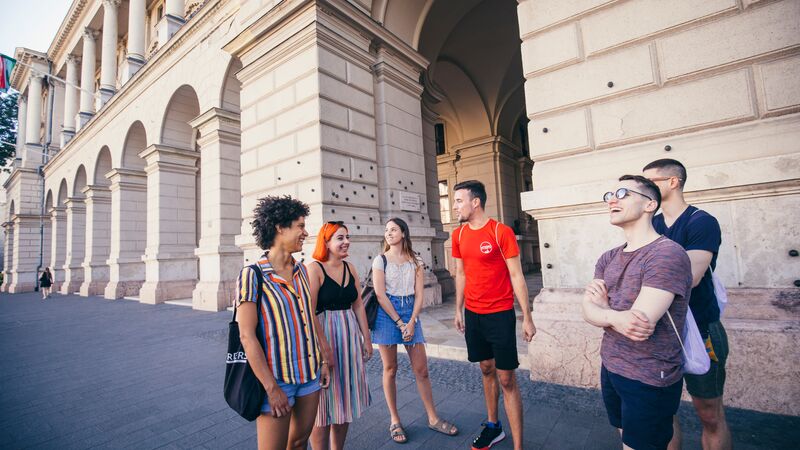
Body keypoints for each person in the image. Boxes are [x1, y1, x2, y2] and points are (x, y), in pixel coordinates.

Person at [582, 175, 693, 450]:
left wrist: (604, 311)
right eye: (609, 194)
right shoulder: (608, 257)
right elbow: (587, 309)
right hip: (611, 365)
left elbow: (639, 325)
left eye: (622, 192)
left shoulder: (666, 254)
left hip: (649, 375)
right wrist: (615, 316)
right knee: (626, 438)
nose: (612, 199)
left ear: (649, 204)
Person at [643, 159, 732, 450]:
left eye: (651, 182)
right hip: (661, 332)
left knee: (709, 414)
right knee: (664, 414)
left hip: (701, 329)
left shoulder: (701, 221)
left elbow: (690, 277)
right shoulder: (651, 224)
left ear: (673, 182)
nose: (644, 190)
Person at [235, 195, 331, 450]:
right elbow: (246, 336)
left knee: (299, 442)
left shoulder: (301, 270)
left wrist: (322, 360)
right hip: (278, 380)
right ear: (280, 227)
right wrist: (271, 388)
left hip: (309, 376)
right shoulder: (252, 275)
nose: (305, 232)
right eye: (300, 226)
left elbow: (309, 318)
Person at [451, 180, 536, 450]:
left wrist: (527, 316)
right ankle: (493, 426)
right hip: (473, 314)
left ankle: (519, 445)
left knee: (507, 378)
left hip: (500, 314)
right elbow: (461, 274)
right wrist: (458, 309)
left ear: (475, 202)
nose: (455, 207)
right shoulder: (459, 235)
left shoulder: (501, 232)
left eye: (459, 201)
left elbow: (516, 275)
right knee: (486, 368)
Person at [372, 217, 459, 444]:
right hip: (387, 312)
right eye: (386, 230)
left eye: (393, 229)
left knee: (421, 370)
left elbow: (419, 294)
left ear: (403, 233)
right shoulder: (380, 260)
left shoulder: (416, 260)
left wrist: (411, 322)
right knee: (390, 368)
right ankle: (394, 420)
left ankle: (432, 417)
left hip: (411, 311)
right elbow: (380, 295)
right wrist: (400, 323)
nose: (389, 233)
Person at [307, 221, 372, 450]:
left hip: (349, 335)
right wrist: (324, 350)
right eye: (340, 238)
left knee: (345, 397)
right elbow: (309, 311)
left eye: (347, 237)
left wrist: (367, 338)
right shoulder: (314, 269)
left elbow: (358, 306)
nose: (346, 242)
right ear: (326, 242)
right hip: (325, 335)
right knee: (323, 403)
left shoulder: (350, 267)